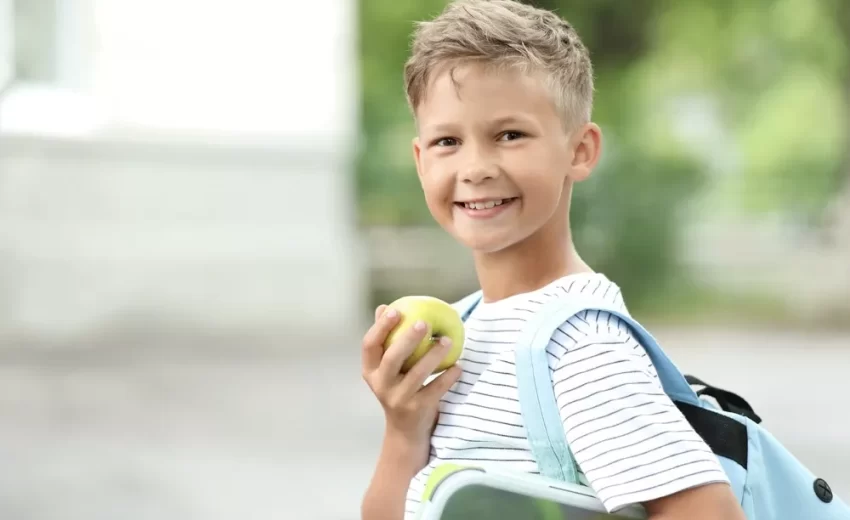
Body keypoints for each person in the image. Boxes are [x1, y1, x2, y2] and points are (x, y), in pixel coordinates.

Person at [360, 1, 746, 519]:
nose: (475, 167)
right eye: (447, 141)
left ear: (579, 151)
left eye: (509, 135)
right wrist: (403, 426)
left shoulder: (579, 344)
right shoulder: (463, 329)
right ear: (420, 160)